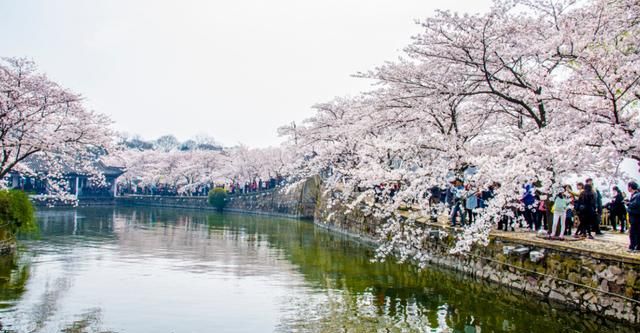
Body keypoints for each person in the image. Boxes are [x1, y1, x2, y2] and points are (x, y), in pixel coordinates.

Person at [627, 181, 640, 252]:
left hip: (636, 216)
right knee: (635, 232)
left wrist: (628, 204)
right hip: (635, 216)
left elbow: (636, 205)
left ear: (630, 187)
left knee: (634, 232)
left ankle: (634, 246)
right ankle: (635, 246)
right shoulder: (635, 195)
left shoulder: (637, 195)